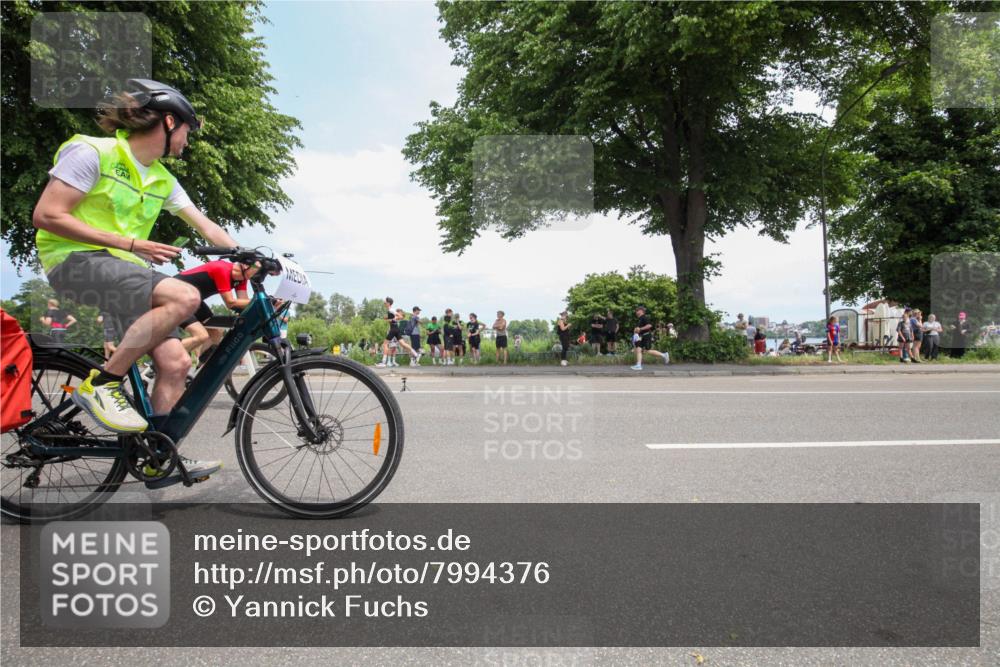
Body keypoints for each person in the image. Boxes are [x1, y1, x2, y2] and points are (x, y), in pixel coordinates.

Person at [32, 78, 231, 480]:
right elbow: (47, 215)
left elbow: (207, 227)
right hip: (74, 260)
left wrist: (249, 257)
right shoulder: (91, 151)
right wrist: (132, 242)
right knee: (183, 296)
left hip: (126, 273)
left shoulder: (161, 179)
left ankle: (157, 456)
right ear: (171, 122)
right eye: (189, 132)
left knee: (175, 363)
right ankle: (102, 384)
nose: (187, 142)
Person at [174, 259, 257, 359]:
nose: (261, 274)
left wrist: (269, 304)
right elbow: (230, 302)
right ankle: (162, 358)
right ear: (245, 265)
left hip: (193, 299)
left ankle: (202, 369)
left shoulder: (242, 279)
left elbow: (243, 302)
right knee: (200, 336)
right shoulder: (222, 269)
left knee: (215, 333)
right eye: (259, 269)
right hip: (175, 295)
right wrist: (259, 300)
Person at [631, 305, 669, 370]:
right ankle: (638, 365)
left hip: (646, 335)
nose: (636, 312)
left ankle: (664, 355)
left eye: (637, 311)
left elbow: (649, 325)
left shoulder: (644, 317)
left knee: (647, 350)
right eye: (636, 311)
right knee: (639, 349)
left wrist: (640, 329)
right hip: (642, 337)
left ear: (641, 311)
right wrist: (635, 333)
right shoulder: (640, 319)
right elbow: (639, 329)